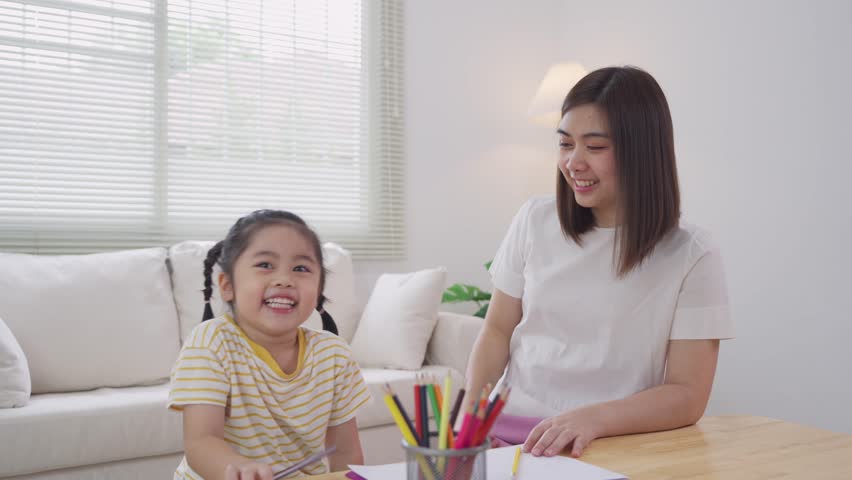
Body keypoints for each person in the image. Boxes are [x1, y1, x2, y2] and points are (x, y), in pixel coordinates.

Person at [463, 66, 734, 459]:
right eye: (565, 144)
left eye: (595, 147)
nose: (573, 162)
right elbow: (497, 329)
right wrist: (471, 408)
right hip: (508, 435)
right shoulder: (534, 220)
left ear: (641, 150)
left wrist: (590, 419)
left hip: (609, 444)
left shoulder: (692, 254)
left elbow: (687, 395)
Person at [168, 210, 370, 479]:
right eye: (265, 265)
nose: (284, 279)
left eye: (301, 268)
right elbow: (201, 442)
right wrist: (237, 469)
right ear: (227, 286)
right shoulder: (211, 342)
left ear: (319, 290)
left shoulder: (334, 354)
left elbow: (344, 452)